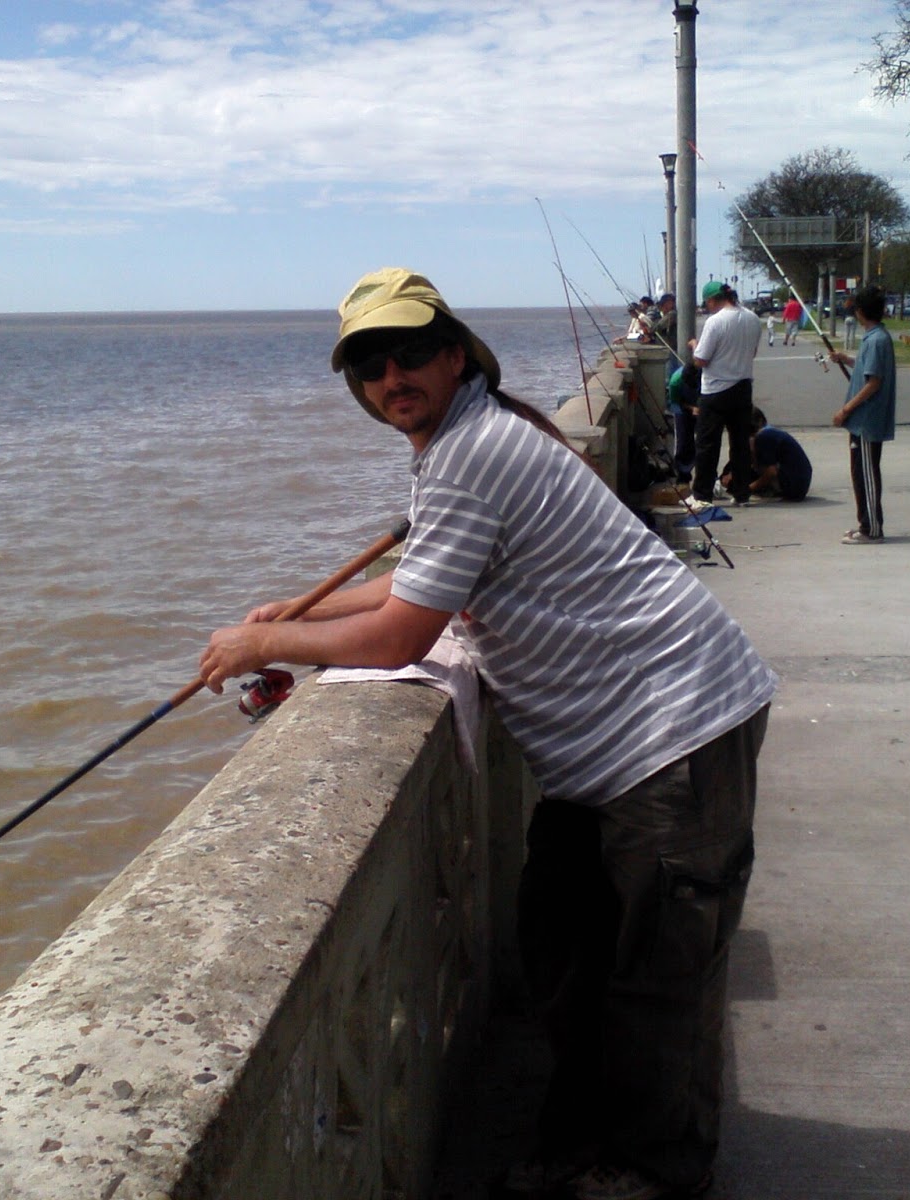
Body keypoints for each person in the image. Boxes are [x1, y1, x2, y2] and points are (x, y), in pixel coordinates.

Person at [198, 268, 776, 1200]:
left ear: (456, 351)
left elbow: (403, 634)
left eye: (412, 352)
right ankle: (580, 1138)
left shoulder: (472, 451)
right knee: (563, 943)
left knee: (658, 981)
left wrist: (268, 641)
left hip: (676, 729)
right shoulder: (460, 443)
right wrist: (298, 615)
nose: (394, 377)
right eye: (370, 365)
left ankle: (656, 1171)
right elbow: (416, 582)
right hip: (610, 752)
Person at [828, 284, 897, 544]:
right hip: (860, 422)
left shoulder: (877, 340)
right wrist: (845, 359)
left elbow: (873, 381)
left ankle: (872, 528)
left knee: (867, 474)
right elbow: (867, 367)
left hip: (867, 421)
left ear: (860, 312)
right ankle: (864, 522)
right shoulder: (873, 338)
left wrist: (845, 410)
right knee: (859, 473)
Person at [688, 280, 764, 506]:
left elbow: (700, 360)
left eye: (707, 303)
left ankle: (702, 495)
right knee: (739, 444)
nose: (707, 307)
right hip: (742, 387)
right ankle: (741, 493)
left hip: (716, 389)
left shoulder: (715, 321)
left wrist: (694, 345)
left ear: (713, 300)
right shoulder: (753, 319)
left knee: (707, 444)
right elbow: (753, 352)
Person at [727, 408, 812, 501]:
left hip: (793, 487)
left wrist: (748, 490)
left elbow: (771, 472)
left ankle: (771, 489)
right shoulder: (769, 432)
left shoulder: (763, 437)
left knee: (738, 481)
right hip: (799, 483)